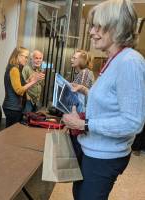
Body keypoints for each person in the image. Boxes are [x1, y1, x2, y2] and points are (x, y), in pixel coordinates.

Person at [62, 1, 145, 200]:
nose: (91, 31)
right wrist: (86, 91)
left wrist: (84, 123)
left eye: (97, 26)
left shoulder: (130, 62)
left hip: (104, 156)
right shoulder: (114, 59)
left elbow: (133, 122)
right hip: (91, 149)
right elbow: (111, 102)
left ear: (117, 27)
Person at [2, 47, 45, 128]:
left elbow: (19, 85)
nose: (26, 59)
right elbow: (19, 90)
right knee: (11, 134)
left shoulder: (15, 68)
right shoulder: (14, 69)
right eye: (25, 57)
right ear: (18, 56)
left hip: (13, 107)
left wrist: (29, 80)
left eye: (27, 57)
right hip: (13, 107)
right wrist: (34, 81)